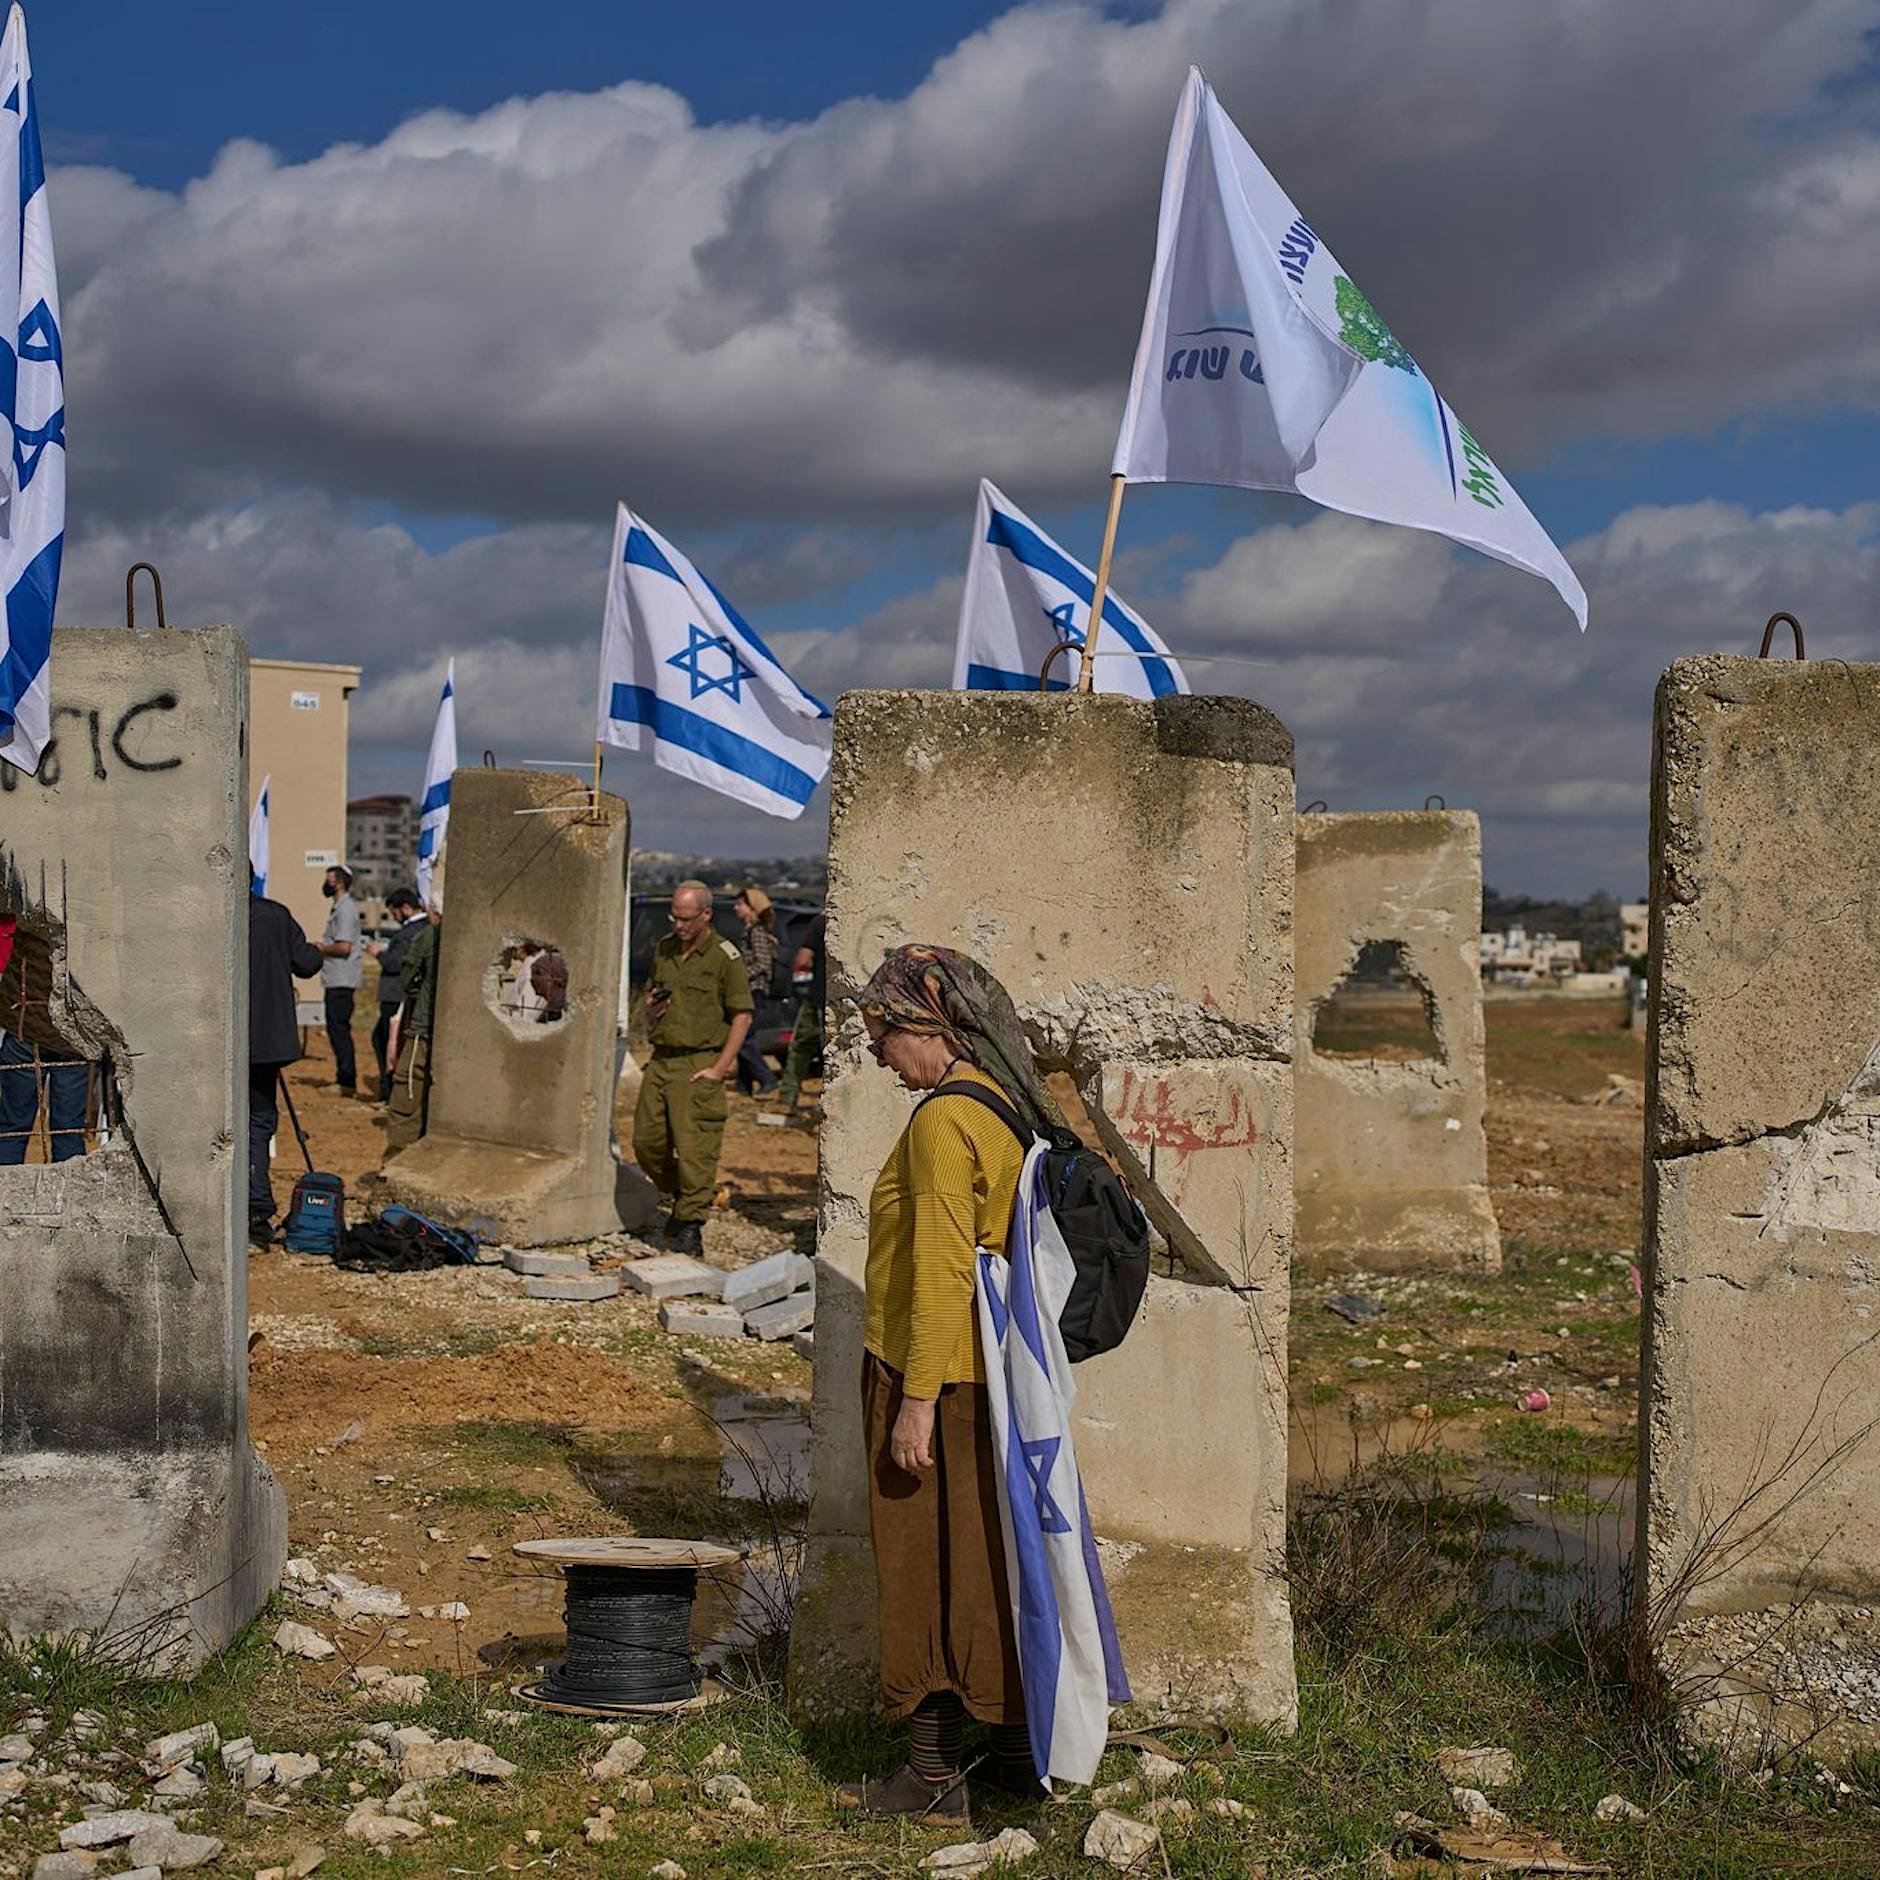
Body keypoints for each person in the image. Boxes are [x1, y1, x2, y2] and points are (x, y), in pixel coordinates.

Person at [835, 943, 1054, 1821]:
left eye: (881, 1035)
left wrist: (914, 1401)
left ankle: (930, 1775)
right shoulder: (1000, 1107)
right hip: (985, 1379)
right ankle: (1007, 1756)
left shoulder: (940, 1124)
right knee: (985, 1568)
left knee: (923, 1573)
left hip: (933, 1376)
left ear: (926, 1023)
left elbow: (941, 1270)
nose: (880, 1057)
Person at [631, 880, 751, 1255]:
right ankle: (685, 1196)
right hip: (663, 1057)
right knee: (646, 1143)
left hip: (700, 1059)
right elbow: (655, 993)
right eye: (674, 917)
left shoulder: (724, 957)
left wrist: (720, 1068)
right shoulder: (665, 949)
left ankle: (690, 1222)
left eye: (685, 918)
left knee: (695, 1147)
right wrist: (652, 1009)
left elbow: (743, 1015)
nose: (679, 925)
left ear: (706, 914)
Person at [247, 872, 324, 1244]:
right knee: (259, 1123)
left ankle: (244, 1204)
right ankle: (256, 1209)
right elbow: (307, 963)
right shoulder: (275, 916)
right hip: (266, 1042)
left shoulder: (210, 914)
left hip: (218, 1044)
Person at [0, 909, 92, 1167]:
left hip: (26, 1029)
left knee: (12, 1127)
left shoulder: (26, 911)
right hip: (73, 1040)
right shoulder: (92, 923)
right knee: (68, 1130)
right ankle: (69, 1199)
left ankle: (6, 1197)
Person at [384, 893, 441, 1152]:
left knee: (407, 1094)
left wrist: (420, 994)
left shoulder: (429, 936)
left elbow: (407, 975)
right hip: (456, 1034)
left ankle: (395, 1163)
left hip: (424, 1028)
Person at [367, 887, 425, 1099]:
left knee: (388, 1042)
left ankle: (389, 1090)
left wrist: (378, 953)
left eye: (395, 913)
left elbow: (396, 964)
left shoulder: (411, 933)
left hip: (396, 996)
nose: (395, 918)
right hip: (399, 995)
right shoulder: (419, 929)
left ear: (406, 908)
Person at [315, 864, 364, 1096]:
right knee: (336, 1030)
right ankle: (344, 1078)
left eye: (330, 880)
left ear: (340, 883)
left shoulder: (345, 910)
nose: (326, 884)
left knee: (339, 1031)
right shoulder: (340, 908)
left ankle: (346, 1081)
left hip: (341, 979)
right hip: (336, 978)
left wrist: (321, 948)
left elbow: (344, 947)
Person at [771, 907, 825, 1117]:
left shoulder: (819, 922)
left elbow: (803, 959)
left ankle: (787, 1099)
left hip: (816, 998)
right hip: (840, 1000)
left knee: (800, 1050)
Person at [732, 886, 780, 1096]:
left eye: (741, 904)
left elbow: (763, 963)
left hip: (754, 991)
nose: (736, 908)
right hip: (750, 991)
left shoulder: (757, 932)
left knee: (742, 1039)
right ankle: (743, 1085)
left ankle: (766, 1078)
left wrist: (741, 976)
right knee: (744, 1037)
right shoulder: (749, 931)